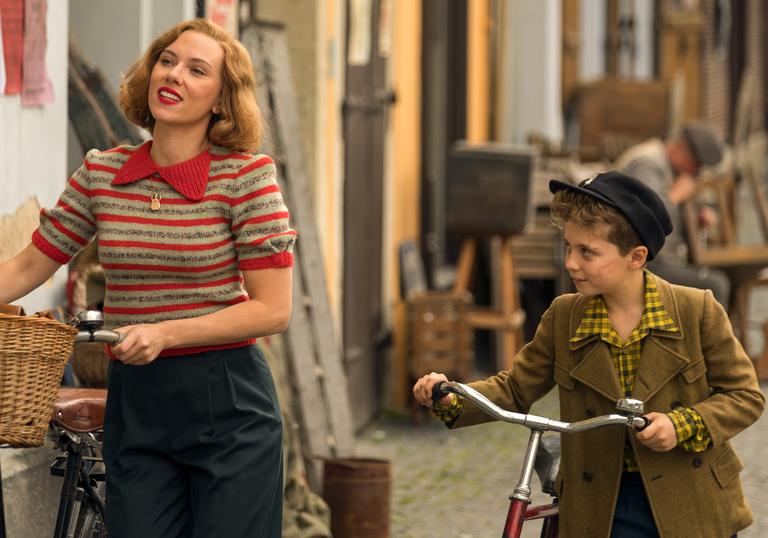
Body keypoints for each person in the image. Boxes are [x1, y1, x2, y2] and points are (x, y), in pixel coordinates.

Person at [0, 19, 294, 538]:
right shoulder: (101, 173)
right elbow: (27, 266)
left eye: (196, 69)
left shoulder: (247, 178)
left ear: (222, 100)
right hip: (138, 402)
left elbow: (273, 309)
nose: (174, 74)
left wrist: (164, 332)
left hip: (228, 402)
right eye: (167, 60)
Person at [413, 171, 764, 537]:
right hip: (598, 500)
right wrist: (453, 396)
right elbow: (514, 389)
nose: (570, 263)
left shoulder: (697, 311)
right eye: (568, 247)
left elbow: (745, 397)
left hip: (691, 498)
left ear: (636, 256)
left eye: (587, 252)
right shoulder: (565, 317)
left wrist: (681, 425)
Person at [614, 122, 731, 307]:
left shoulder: (671, 169)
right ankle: (708, 336)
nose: (698, 172)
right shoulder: (647, 164)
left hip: (660, 261)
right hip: (640, 264)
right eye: (697, 164)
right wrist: (676, 195)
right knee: (715, 286)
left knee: (723, 274)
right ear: (680, 150)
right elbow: (645, 218)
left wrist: (698, 219)